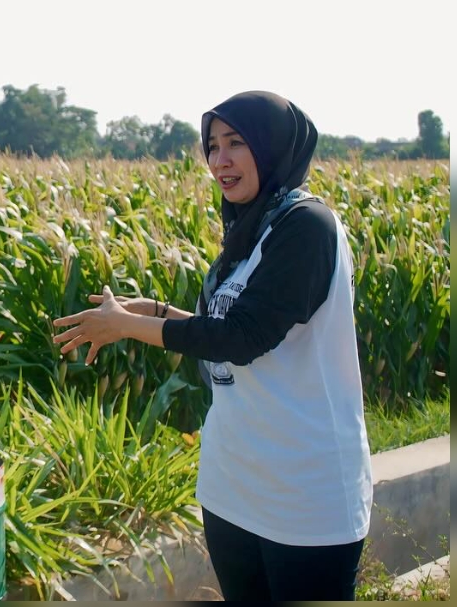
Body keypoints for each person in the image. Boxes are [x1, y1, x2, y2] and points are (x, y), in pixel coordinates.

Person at [52, 91, 372, 601]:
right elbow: (226, 328)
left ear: (272, 148)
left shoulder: (307, 228)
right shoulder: (250, 233)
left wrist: (129, 328)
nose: (220, 160)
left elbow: (243, 339)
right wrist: (152, 311)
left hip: (304, 496)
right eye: (212, 146)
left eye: (236, 143)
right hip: (233, 486)